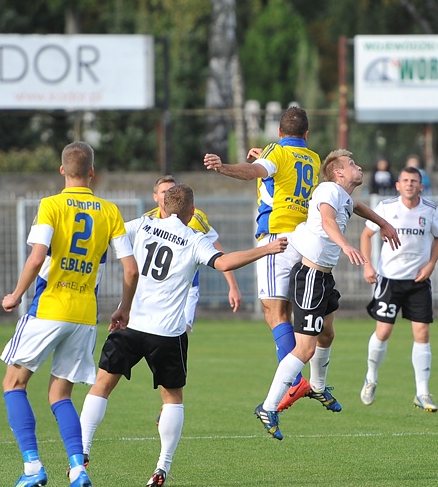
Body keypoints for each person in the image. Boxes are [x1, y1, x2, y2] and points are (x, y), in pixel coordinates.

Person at [79, 184, 287, 485]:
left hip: (131, 325)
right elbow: (224, 262)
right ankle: (163, 466)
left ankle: (82, 450)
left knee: (101, 386)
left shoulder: (144, 225)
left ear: (163, 206)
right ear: (191, 212)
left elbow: (110, 235)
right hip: (167, 333)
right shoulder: (194, 239)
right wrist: (267, 248)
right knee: (172, 398)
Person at [0, 142, 138, 487]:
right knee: (60, 394)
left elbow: (37, 255)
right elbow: (130, 270)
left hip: (49, 307)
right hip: (84, 314)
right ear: (92, 172)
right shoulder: (109, 211)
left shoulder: (52, 205)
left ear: (62, 171)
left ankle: (32, 466)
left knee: (13, 383)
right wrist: (123, 309)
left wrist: (15, 294)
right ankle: (77, 468)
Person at [254, 150, 395, 440]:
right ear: (339, 174)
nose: (358, 167)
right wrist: (346, 245)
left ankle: (318, 387)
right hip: (311, 278)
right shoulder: (329, 189)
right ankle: (268, 407)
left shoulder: (341, 194)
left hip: (324, 277)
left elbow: (357, 207)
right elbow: (328, 220)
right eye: (351, 164)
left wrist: (384, 223)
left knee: (327, 334)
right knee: (304, 349)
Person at [202, 106, 323, 413]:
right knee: (292, 310)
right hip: (306, 238)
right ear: (306, 135)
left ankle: (294, 381)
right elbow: (279, 173)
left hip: (276, 237)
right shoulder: (313, 157)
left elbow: (256, 172)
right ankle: (310, 375)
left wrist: (223, 167)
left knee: (273, 312)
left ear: (279, 133)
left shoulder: (277, 153)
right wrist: (265, 156)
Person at [359, 166, 438, 413]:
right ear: (398, 185)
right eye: (405, 180)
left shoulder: (429, 210)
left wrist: (430, 265)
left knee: (422, 333)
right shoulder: (386, 207)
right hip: (389, 280)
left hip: (418, 282)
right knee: (383, 332)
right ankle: (371, 377)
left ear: (421, 186)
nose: (409, 184)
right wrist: (367, 266)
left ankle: (422, 392)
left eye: (414, 181)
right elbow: (366, 235)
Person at [143, 175, 241, 331]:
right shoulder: (147, 221)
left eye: (172, 190)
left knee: (182, 334)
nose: (169, 195)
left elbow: (218, 252)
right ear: (155, 197)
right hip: (156, 291)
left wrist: (233, 287)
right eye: (164, 192)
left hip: (187, 289)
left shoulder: (195, 218)